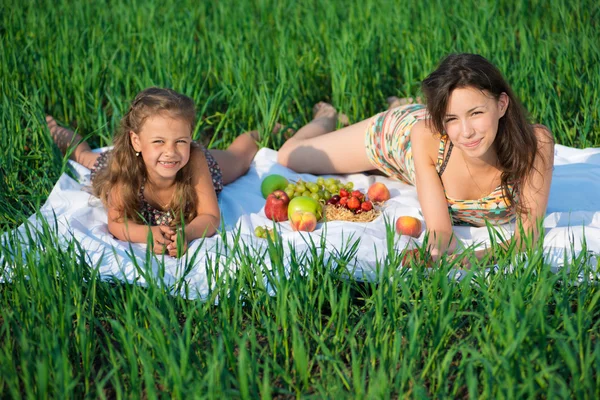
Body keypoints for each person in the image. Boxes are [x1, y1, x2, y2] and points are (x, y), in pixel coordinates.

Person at [277, 53, 555, 266]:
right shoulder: (427, 135)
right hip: (400, 137)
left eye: (477, 113)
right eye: (452, 118)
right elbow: (440, 232)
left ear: (502, 105)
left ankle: (406, 102)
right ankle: (327, 117)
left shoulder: (535, 145)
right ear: (442, 120)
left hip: (425, 136)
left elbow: (527, 239)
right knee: (289, 156)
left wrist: (467, 259)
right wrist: (433, 253)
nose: (467, 131)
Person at [47, 87, 260, 257]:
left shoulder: (193, 159)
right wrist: (148, 234)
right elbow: (117, 222)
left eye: (180, 141)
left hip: (198, 170)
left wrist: (187, 233)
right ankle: (53, 128)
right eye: (159, 141)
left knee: (238, 159)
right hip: (126, 162)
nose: (170, 152)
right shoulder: (125, 167)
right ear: (136, 141)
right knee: (84, 156)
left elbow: (210, 216)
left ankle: (270, 128)